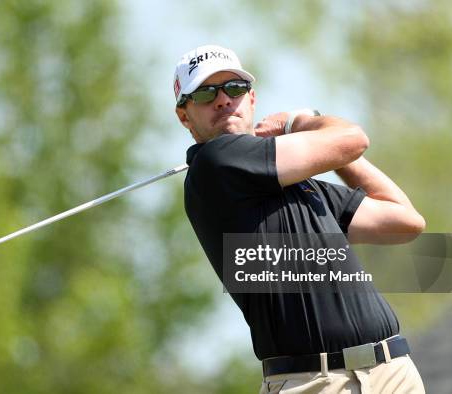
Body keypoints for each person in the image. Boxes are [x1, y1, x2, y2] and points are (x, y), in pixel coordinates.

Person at [174, 44, 426, 393]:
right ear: (184, 116)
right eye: (205, 93)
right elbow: (354, 138)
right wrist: (301, 121)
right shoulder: (215, 163)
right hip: (313, 382)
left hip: (392, 372)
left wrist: (333, 155)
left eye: (234, 89)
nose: (222, 100)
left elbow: (405, 220)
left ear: (251, 100)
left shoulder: (303, 188)